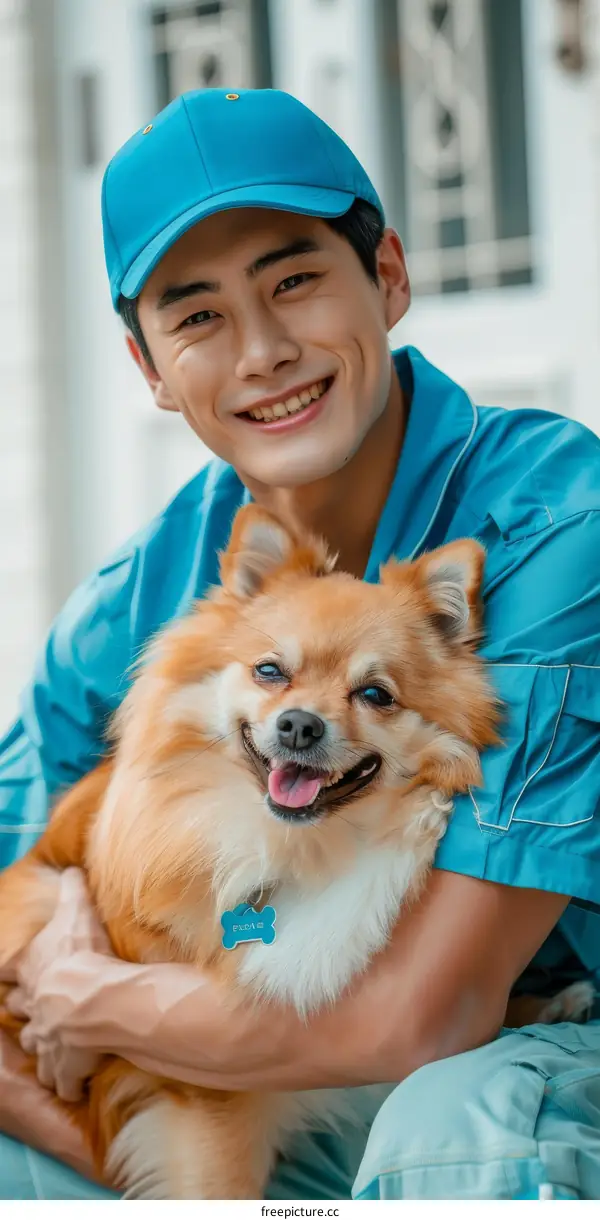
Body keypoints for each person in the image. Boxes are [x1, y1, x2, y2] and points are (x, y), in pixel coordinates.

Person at [1, 87, 600, 1202]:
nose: (264, 351)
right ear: (149, 368)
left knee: (460, 1128)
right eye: (198, 317)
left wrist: (96, 999)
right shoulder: (144, 596)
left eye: (293, 282)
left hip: (529, 1046)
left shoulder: (555, 525)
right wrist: (50, 982)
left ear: (389, 277)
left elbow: (429, 1014)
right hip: (254, 1079)